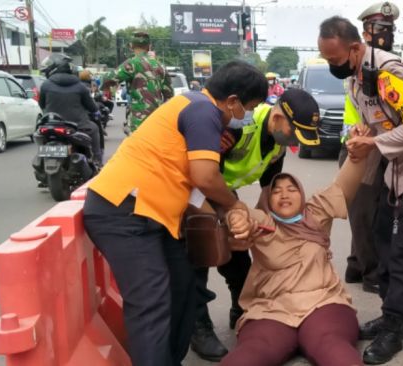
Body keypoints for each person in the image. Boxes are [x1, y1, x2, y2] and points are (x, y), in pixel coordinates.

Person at [82, 60, 268, 366]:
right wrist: (235, 206)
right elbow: (205, 176)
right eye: (248, 108)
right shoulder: (201, 110)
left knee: (183, 290)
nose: (246, 117)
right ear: (232, 101)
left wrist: (223, 225)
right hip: (121, 211)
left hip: (153, 213)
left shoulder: (197, 110)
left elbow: (190, 187)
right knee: (151, 303)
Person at [318, 16, 403, 364]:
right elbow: (375, 118)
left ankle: (395, 327)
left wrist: (375, 143)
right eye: (326, 60)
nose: (331, 66)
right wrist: (360, 135)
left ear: (354, 49)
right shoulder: (355, 78)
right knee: (382, 237)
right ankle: (389, 314)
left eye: (333, 60)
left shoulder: (390, 73)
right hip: (399, 167)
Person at [191, 89, 322, 362]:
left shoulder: (277, 143)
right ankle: (198, 326)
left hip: (223, 192)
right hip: (194, 188)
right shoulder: (237, 127)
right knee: (201, 252)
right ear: (277, 117)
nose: (296, 141)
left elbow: (267, 189)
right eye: (294, 131)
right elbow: (200, 172)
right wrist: (226, 216)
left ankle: (240, 307)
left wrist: (260, 228)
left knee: (240, 251)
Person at [219, 153, 370, 366]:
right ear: (268, 200)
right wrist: (235, 218)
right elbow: (239, 213)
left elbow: (343, 187)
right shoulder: (264, 222)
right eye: (276, 191)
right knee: (253, 350)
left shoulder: (316, 213)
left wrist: (357, 155)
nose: (284, 194)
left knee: (333, 347)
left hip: (323, 302)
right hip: (272, 308)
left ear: (301, 194)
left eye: (292, 189)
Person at [339, 1, 401, 294]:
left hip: (383, 144)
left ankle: (355, 263)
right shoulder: (360, 62)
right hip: (362, 145)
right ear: (365, 32)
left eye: (389, 29)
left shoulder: (392, 62)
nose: (385, 34)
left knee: (371, 208)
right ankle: (371, 273)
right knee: (364, 211)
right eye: (379, 29)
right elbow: (356, 108)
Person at [38, 54, 102, 165]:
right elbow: (92, 107)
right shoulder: (80, 86)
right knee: (95, 128)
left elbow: (42, 105)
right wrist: (96, 111)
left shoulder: (45, 85)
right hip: (78, 125)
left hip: (51, 124)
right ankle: (97, 159)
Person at [103, 31, 173, 132]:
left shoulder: (132, 64)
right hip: (157, 117)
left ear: (131, 46)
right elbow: (169, 96)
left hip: (138, 118)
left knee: (137, 146)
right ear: (149, 46)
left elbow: (107, 79)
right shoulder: (161, 66)